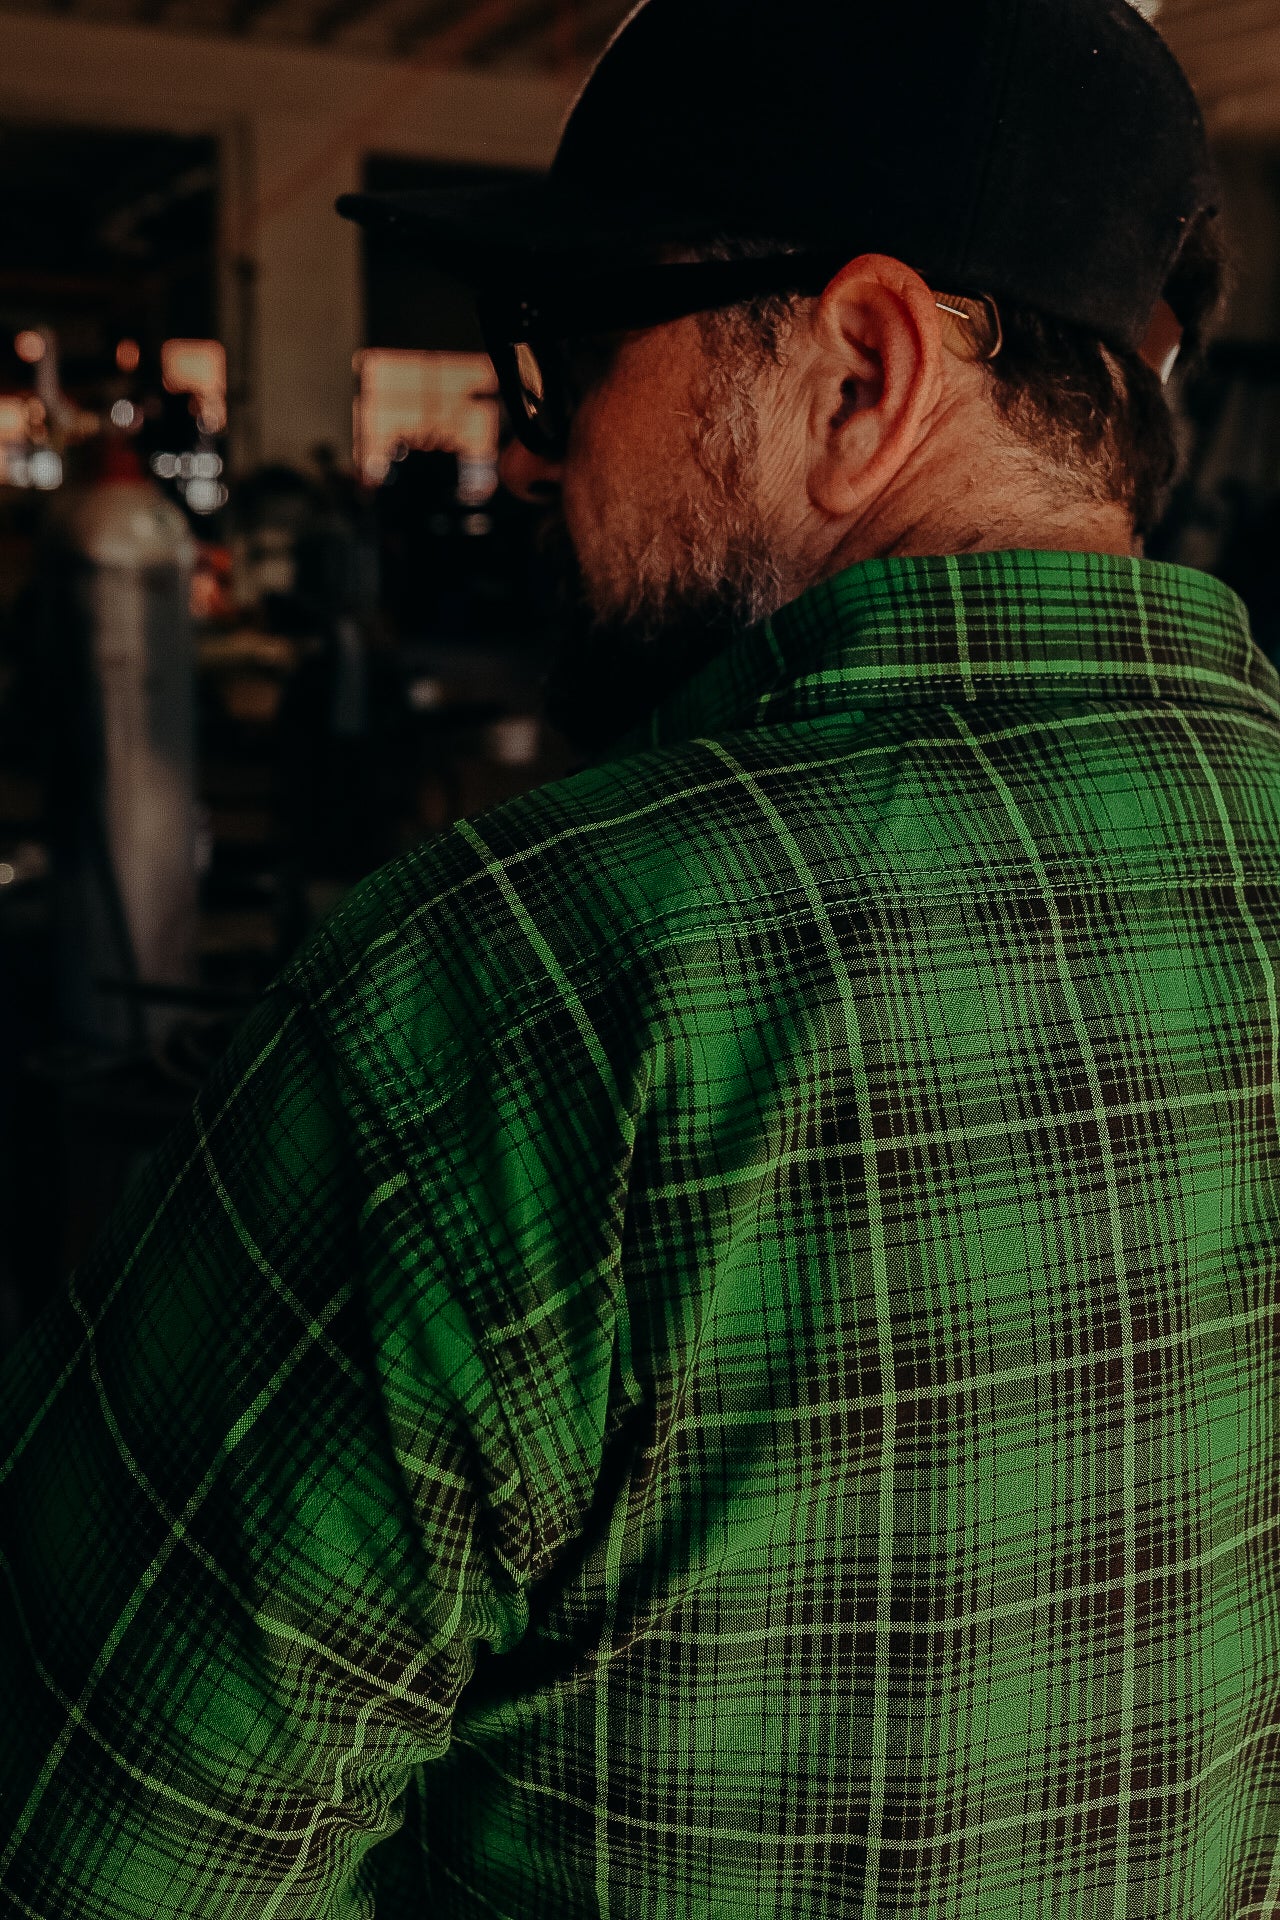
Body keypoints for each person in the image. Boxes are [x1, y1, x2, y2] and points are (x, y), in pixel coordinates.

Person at [1, 1, 1275, 1914]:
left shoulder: (510, 998)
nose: (532, 452)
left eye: (572, 358)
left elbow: (89, 1867)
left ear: (862, 369)